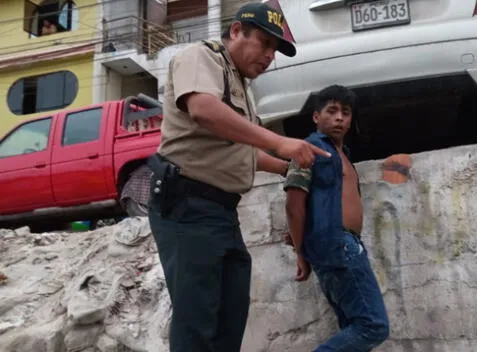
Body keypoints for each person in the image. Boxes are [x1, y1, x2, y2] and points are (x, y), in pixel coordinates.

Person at [146, 3, 331, 352]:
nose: (268, 55)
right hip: (188, 207)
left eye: (274, 50)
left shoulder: (241, 86)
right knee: (197, 328)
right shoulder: (201, 58)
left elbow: (238, 149)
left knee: (229, 322)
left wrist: (285, 166)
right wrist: (279, 141)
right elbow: (203, 109)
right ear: (235, 32)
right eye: (263, 43)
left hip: (221, 214)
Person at [284, 85, 390, 351]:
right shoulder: (309, 150)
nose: (340, 118)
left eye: (346, 112)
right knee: (372, 326)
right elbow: (294, 206)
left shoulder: (341, 155)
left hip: (346, 245)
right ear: (316, 117)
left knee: (354, 328)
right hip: (337, 245)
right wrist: (301, 253)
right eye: (331, 111)